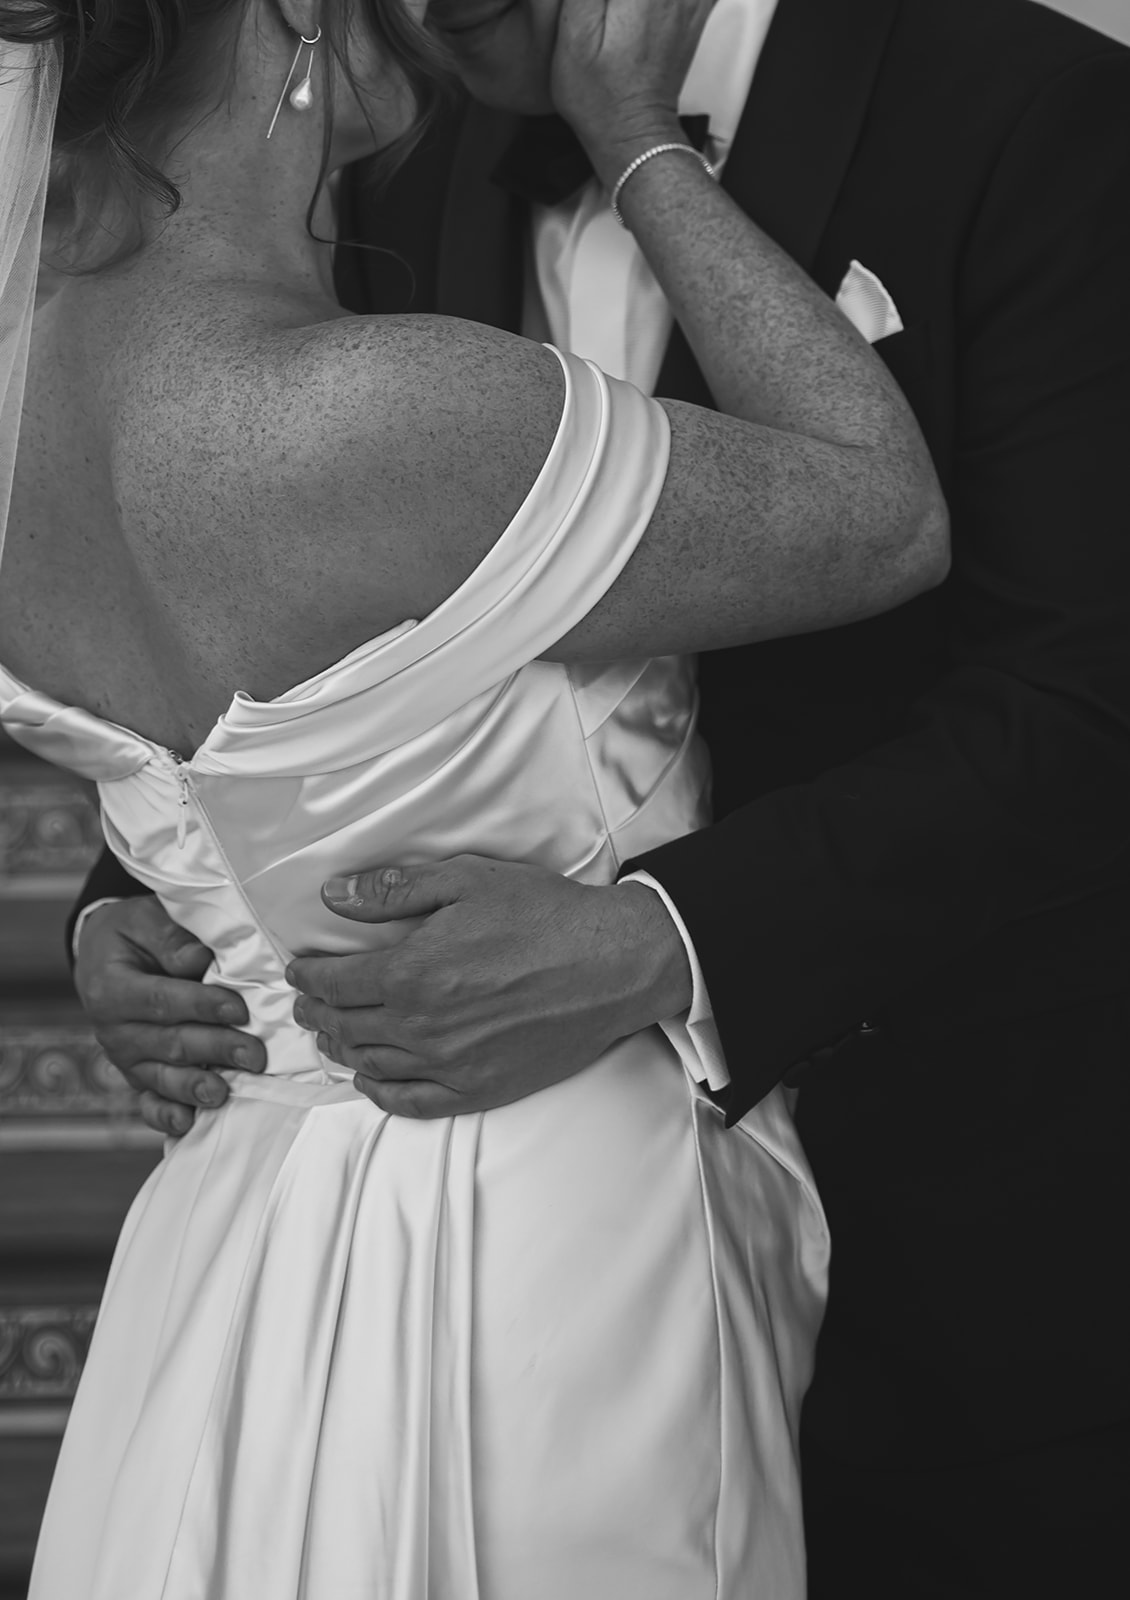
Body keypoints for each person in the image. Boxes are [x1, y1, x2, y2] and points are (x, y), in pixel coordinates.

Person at [72, 0, 1130, 1593]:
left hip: (971, 1232)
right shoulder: (386, 152)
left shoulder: (1033, 106)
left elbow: (1091, 694)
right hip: (494, 1256)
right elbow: (283, 623)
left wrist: (664, 944)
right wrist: (147, 902)